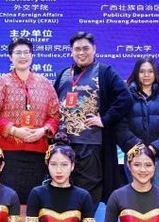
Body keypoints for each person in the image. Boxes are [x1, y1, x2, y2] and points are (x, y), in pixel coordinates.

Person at [0, 37, 60, 222]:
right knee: (10, 201)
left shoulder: (45, 84)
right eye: (18, 52)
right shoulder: (3, 82)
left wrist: (43, 131)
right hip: (9, 151)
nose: (22, 56)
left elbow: (55, 116)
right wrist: (14, 130)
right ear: (10, 57)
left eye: (26, 52)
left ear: (32, 56)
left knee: (29, 201)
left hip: (37, 152)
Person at [52, 32, 131, 204]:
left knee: (88, 190)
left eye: (86, 48)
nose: (81, 53)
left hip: (91, 143)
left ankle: (86, 221)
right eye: (77, 49)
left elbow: (125, 98)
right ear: (71, 51)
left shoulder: (104, 72)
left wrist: (105, 119)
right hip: (63, 144)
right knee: (62, 187)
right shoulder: (63, 74)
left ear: (94, 49)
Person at [116, 56, 159, 190]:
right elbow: (120, 126)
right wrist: (138, 148)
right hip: (133, 156)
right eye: (142, 71)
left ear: (156, 73)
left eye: (150, 71)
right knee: (134, 197)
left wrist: (153, 149)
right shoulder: (125, 97)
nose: (146, 75)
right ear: (136, 73)